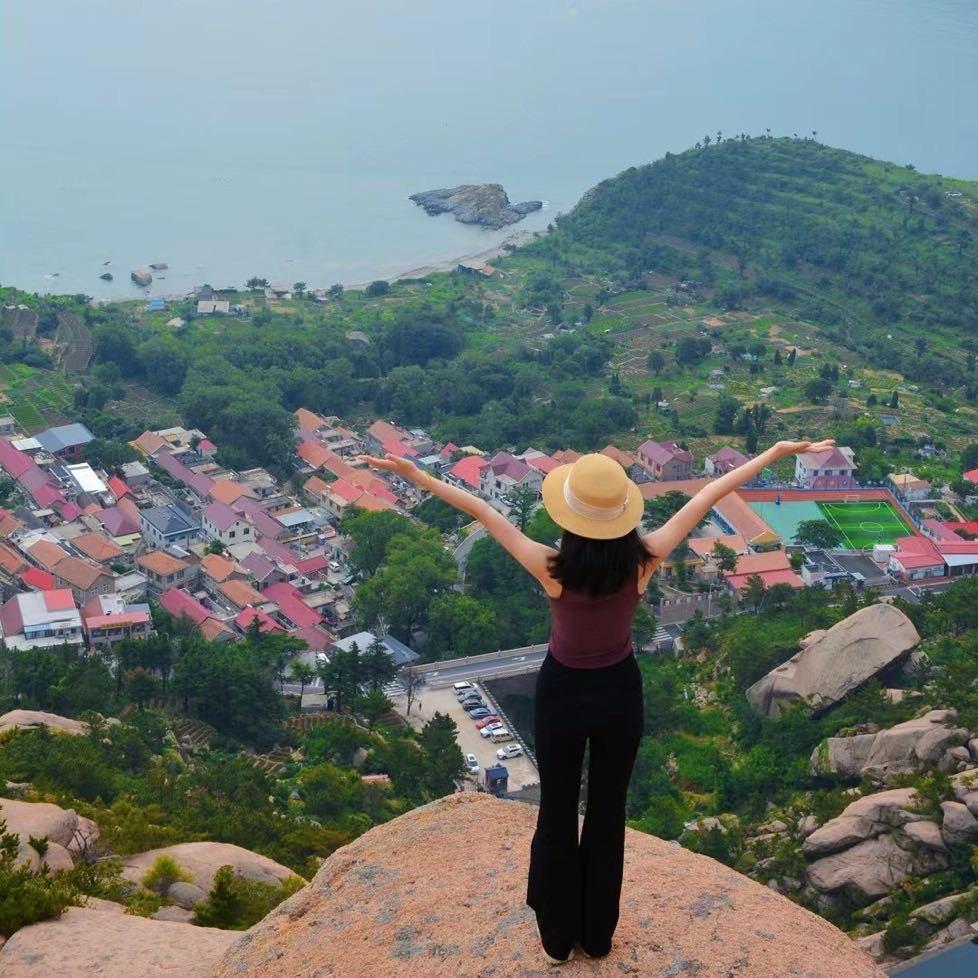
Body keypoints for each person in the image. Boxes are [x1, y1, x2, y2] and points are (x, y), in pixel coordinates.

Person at [359, 437, 834, 966]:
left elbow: (483, 510)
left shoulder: (552, 566)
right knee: (607, 812)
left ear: (571, 517)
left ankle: (558, 938)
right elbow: (711, 493)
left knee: (558, 808)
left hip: (562, 691)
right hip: (619, 693)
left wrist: (414, 474)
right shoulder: (643, 562)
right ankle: (599, 935)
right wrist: (775, 452)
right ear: (622, 517)